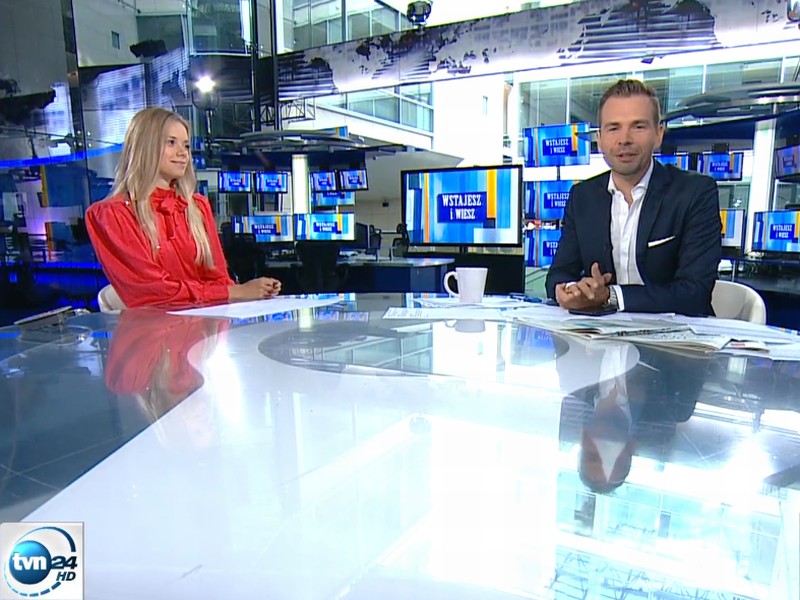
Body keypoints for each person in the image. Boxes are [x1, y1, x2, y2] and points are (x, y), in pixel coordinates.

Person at [545, 79, 722, 316]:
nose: (624, 139)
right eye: (613, 128)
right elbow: (558, 274)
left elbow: (695, 292)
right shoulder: (582, 197)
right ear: (599, 138)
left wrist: (611, 296)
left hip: (676, 332)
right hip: (600, 332)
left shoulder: (695, 192)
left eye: (638, 126)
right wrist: (570, 290)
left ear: (658, 134)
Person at [86, 107, 280, 309]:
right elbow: (151, 292)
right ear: (146, 146)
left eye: (186, 145)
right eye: (171, 142)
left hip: (207, 322)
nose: (183, 153)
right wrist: (235, 292)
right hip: (154, 326)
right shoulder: (113, 214)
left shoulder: (197, 207)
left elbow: (218, 278)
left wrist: (243, 293)